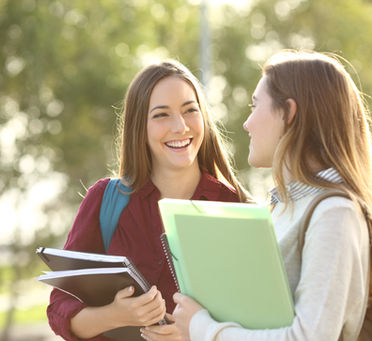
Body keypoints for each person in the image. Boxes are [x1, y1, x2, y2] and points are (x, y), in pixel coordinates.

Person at [172, 50, 372, 341]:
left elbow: (309, 337)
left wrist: (203, 329)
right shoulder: (284, 206)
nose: (247, 123)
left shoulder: (335, 212)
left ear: (290, 113)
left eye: (255, 105)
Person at [47, 59, 249, 341]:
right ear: (139, 127)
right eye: (161, 115)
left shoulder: (237, 208)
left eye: (190, 110)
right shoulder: (105, 200)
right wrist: (114, 316)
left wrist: (195, 334)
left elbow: (260, 323)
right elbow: (59, 309)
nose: (179, 127)